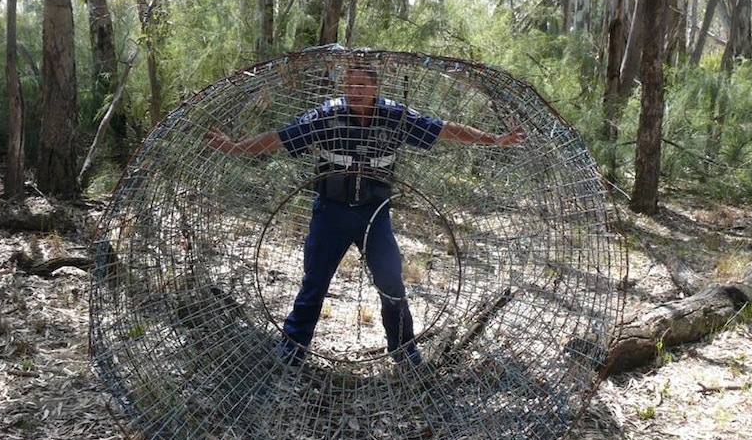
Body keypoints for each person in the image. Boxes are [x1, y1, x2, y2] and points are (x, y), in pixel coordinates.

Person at [206, 66, 523, 367]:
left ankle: (404, 351)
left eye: (362, 85)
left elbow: (443, 130)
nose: (355, 91)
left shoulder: (395, 115)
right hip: (331, 212)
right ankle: (292, 349)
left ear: (375, 87)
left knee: (391, 283)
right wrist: (235, 148)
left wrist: (493, 139)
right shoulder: (326, 114)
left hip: (375, 214)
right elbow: (280, 137)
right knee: (314, 283)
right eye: (350, 85)